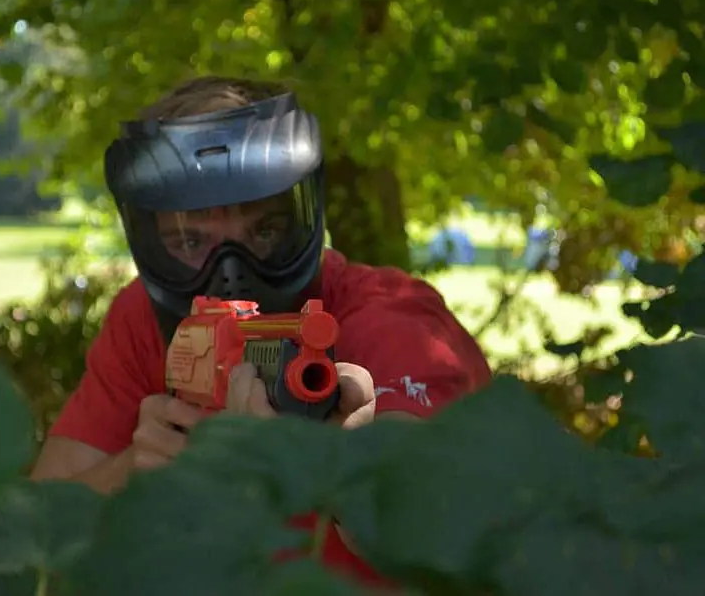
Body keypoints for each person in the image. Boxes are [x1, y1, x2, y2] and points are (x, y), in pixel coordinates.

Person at [30, 76, 492, 587]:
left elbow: (447, 533)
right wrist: (129, 475)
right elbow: (32, 533)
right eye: (191, 241)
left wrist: (337, 463)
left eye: (265, 232)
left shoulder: (389, 320)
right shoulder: (142, 318)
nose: (231, 272)